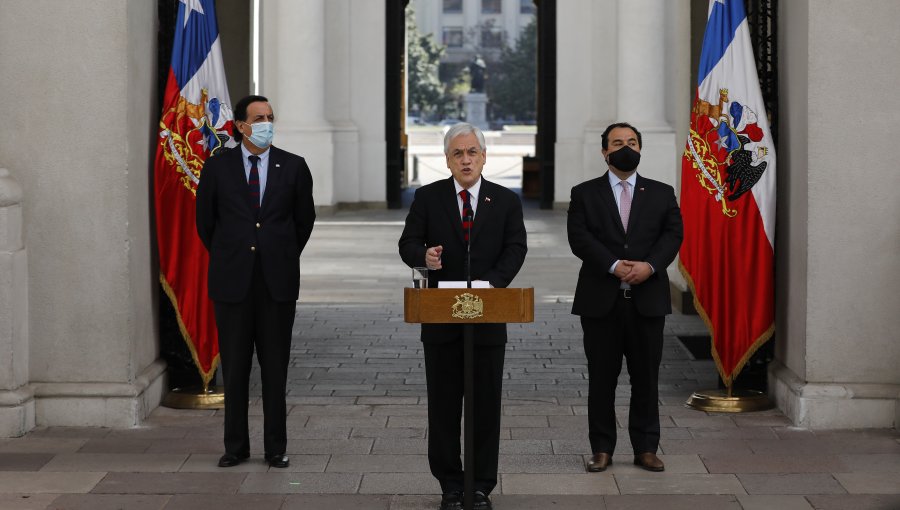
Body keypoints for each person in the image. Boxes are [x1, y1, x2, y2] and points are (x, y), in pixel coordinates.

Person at [399, 123, 527, 510]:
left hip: (488, 317)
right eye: (458, 153)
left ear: (484, 156)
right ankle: (451, 486)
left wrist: (494, 284)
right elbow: (408, 242)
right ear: (448, 160)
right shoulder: (428, 197)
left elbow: (516, 247)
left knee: (485, 405)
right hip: (441, 320)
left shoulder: (504, 200)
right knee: (443, 406)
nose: (466, 159)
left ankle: (482, 485)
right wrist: (424, 257)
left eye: (472, 152)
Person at [196, 95, 316, 469]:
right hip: (232, 283)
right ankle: (236, 446)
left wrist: (277, 252)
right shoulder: (218, 167)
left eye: (270, 117)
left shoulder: (294, 166)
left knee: (275, 367)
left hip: (276, 283)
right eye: (259, 118)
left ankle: (275, 447)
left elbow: (303, 222)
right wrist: (235, 253)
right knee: (235, 368)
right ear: (241, 126)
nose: (267, 123)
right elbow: (206, 223)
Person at [567, 122, 683, 473]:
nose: (625, 147)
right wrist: (614, 265)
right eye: (617, 143)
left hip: (648, 301)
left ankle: (646, 447)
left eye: (632, 142)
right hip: (601, 301)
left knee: (646, 377)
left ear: (640, 149)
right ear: (605, 151)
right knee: (602, 378)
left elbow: (673, 235)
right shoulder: (584, 193)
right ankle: (601, 448)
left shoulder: (661, 193)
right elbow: (579, 237)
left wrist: (649, 266)